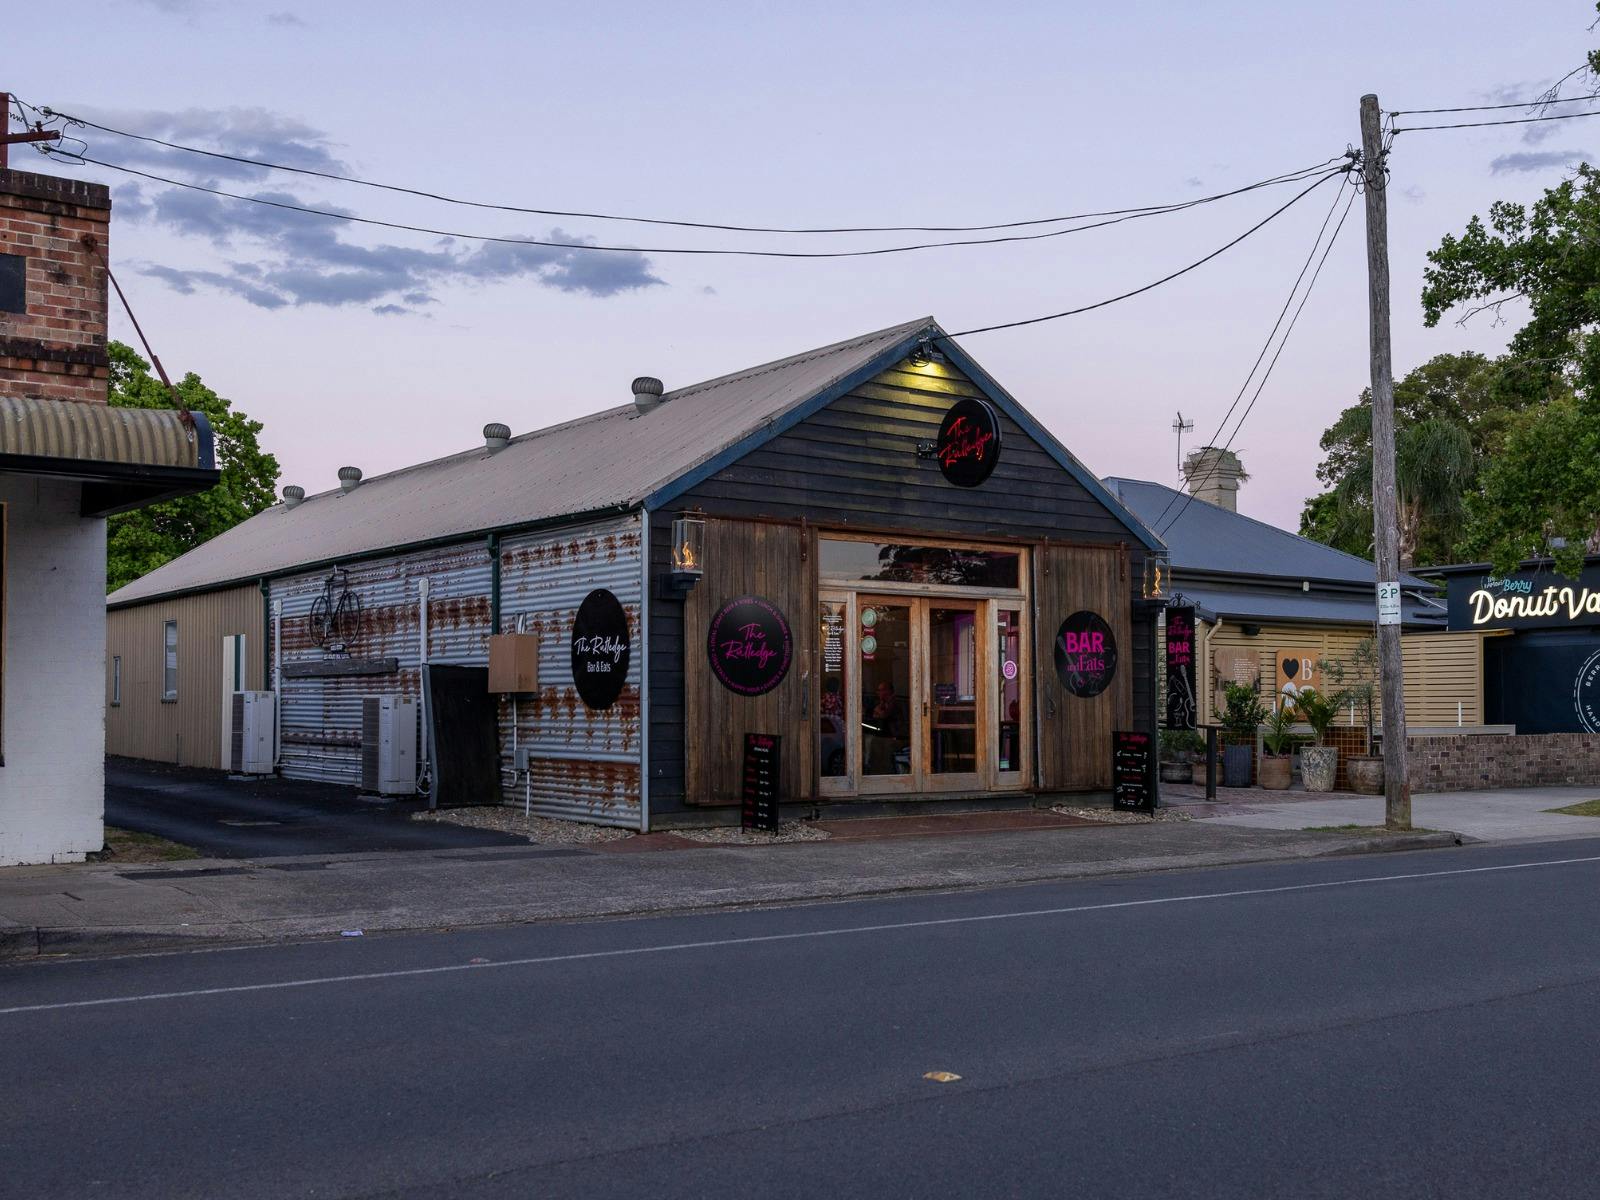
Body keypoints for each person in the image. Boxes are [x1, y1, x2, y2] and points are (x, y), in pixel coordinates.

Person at [866, 681, 907, 773]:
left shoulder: (894, 702)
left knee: (876, 745)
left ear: (889, 691)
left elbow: (883, 715)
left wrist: (878, 710)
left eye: (882, 690)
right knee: (873, 742)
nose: (879, 693)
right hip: (886, 736)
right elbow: (875, 715)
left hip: (896, 737)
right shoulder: (884, 703)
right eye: (878, 690)